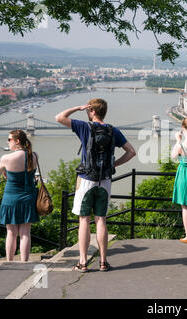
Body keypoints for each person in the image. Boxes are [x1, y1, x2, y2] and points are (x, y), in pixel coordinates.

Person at [55, 98, 136, 272]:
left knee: (84, 220)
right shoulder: (113, 131)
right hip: (105, 180)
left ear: (91, 111)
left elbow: (59, 117)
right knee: (101, 220)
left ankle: (83, 262)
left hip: (86, 179)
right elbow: (131, 152)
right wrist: (113, 165)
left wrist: (77, 108)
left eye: (87, 110)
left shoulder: (85, 127)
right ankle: (103, 262)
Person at [0, 130, 39, 262]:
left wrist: (3, 172)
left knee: (11, 233)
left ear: (17, 141)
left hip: (11, 197)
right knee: (25, 233)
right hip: (29, 196)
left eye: (9, 139)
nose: (8, 142)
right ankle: (25, 262)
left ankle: (10, 263)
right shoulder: (34, 156)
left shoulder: (7, 158)